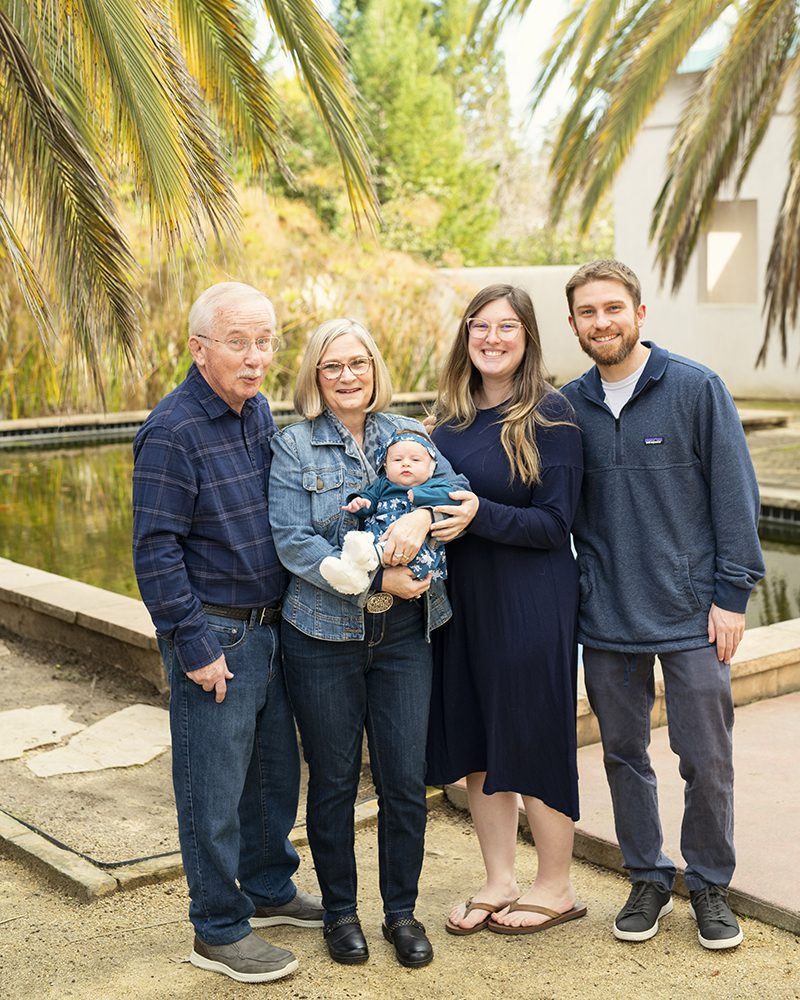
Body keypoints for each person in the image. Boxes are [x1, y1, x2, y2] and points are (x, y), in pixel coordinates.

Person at [561, 259, 765, 950]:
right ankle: (648, 875)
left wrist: (731, 597)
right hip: (608, 615)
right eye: (588, 312)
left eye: (613, 308)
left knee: (705, 758)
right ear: (574, 325)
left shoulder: (697, 388)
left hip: (692, 615)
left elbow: (735, 500)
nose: (602, 322)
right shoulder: (567, 407)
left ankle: (708, 883)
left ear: (639, 314)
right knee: (623, 754)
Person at [268, 318, 477, 968]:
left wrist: (419, 514)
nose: (348, 375)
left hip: (405, 638)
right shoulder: (293, 444)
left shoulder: (405, 432)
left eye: (358, 362)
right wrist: (375, 579)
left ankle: (400, 913)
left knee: (404, 781)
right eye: (333, 366)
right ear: (315, 375)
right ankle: (339, 915)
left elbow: (455, 499)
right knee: (332, 781)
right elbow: (292, 542)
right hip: (322, 636)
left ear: (374, 367)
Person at [132, 282, 323, 985]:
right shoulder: (172, 431)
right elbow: (154, 550)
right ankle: (215, 926)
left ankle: (268, 886)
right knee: (210, 789)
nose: (255, 357)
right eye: (238, 342)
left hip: (270, 629)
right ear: (199, 348)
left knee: (274, 776)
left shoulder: (257, 412)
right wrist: (195, 645)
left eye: (265, 341)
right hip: (216, 635)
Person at [426, 284, 586, 936]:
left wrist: (476, 515)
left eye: (506, 327)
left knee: (532, 736)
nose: (492, 338)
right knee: (478, 739)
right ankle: (499, 878)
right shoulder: (448, 424)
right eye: (480, 327)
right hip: (463, 602)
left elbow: (555, 524)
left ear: (527, 338)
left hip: (531, 602)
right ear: (466, 338)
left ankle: (558, 885)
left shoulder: (554, 417)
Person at [320, 428, 462, 593]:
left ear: (431, 468)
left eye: (415, 460)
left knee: (371, 552)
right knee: (364, 544)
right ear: (386, 467)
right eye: (397, 459)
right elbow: (370, 498)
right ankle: (351, 577)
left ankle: (365, 561)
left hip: (416, 547)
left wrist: (419, 494)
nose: (406, 464)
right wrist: (361, 503)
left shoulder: (433, 485)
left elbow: (452, 497)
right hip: (380, 534)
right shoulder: (383, 484)